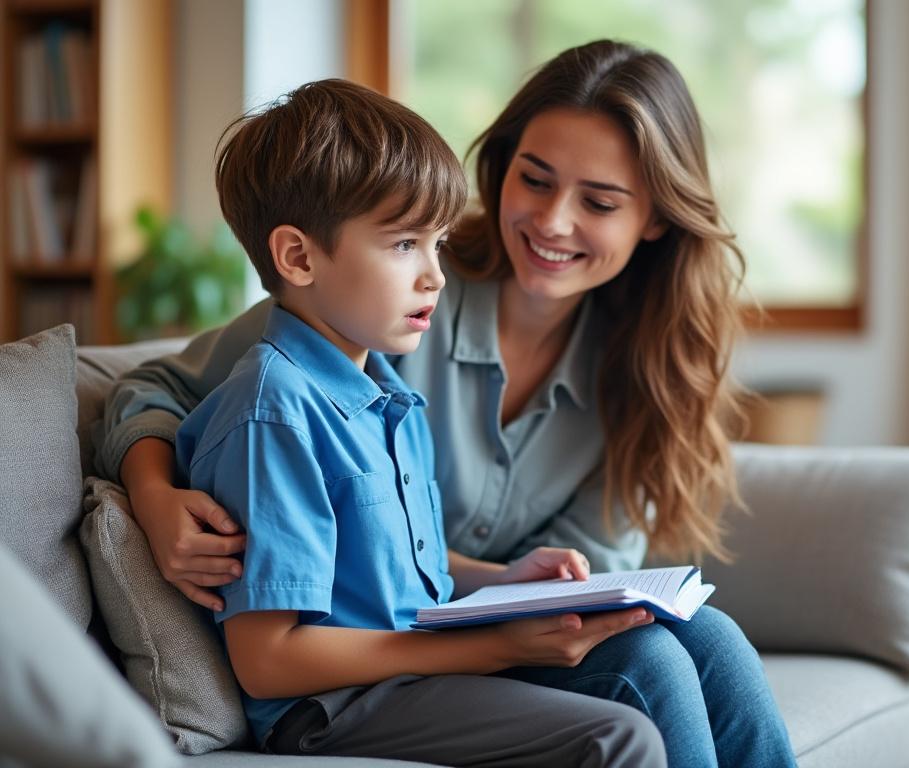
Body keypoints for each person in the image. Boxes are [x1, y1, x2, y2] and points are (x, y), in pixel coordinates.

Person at [96, 41, 796, 768]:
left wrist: (513, 587)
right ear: (501, 170)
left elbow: (434, 564)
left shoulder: (634, 368)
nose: (554, 223)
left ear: (654, 218)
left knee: (710, 640)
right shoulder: (371, 311)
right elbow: (162, 390)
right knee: (646, 671)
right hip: (386, 661)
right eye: (535, 180)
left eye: (599, 201)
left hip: (451, 632)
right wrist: (152, 495)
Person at [176, 77, 665, 767]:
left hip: (404, 675)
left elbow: (402, 581)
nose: (436, 275)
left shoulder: (386, 394)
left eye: (437, 244)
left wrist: (506, 579)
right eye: (406, 244)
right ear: (298, 257)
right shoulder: (273, 409)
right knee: (618, 735)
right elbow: (268, 660)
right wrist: (493, 646)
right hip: (330, 708)